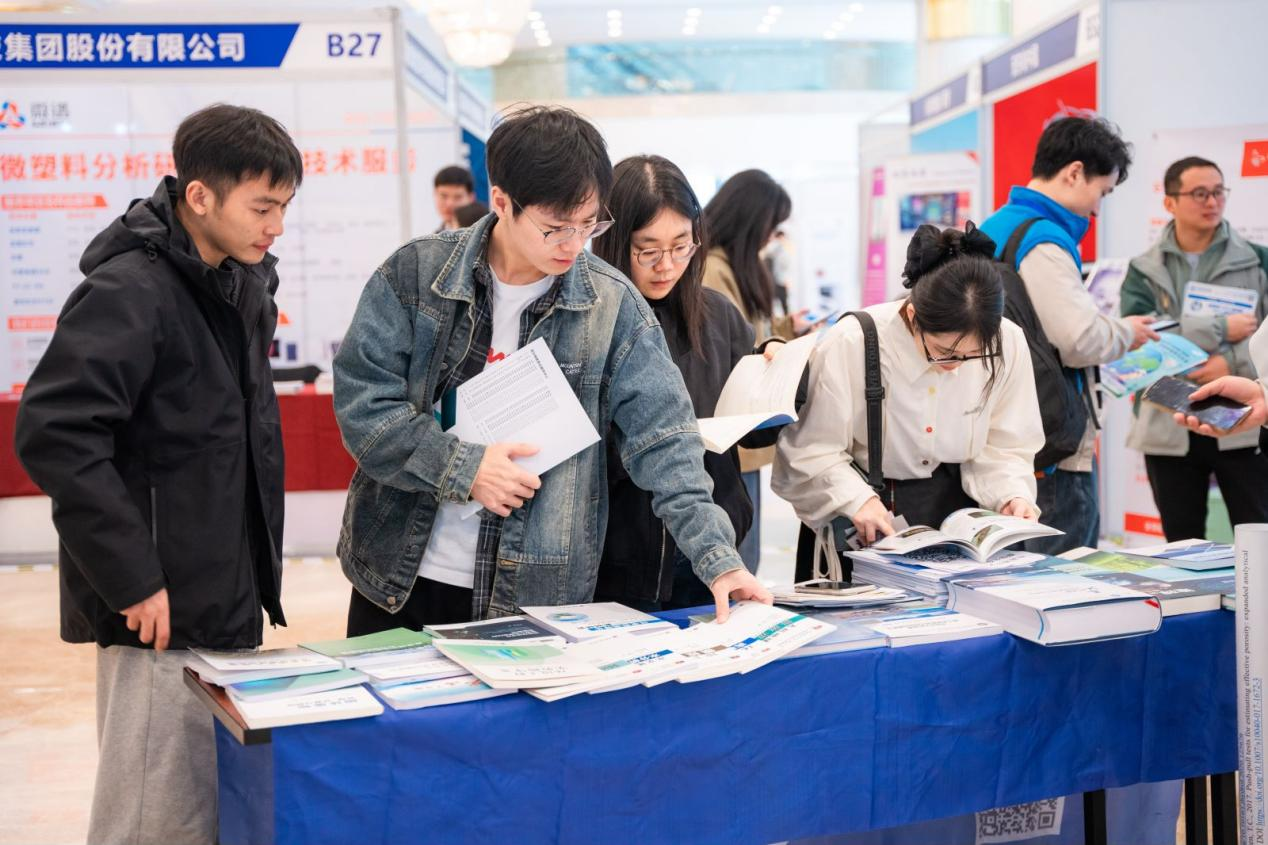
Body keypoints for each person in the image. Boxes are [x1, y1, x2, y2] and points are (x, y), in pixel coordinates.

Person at [333, 106, 770, 636]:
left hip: (536, 593)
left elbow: (666, 442)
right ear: (502, 202)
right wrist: (463, 468)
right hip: (400, 578)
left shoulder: (612, 305)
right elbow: (364, 405)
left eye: (589, 225)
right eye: (556, 228)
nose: (574, 244)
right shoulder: (416, 274)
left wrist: (718, 559)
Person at [13, 104, 301, 844]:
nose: (276, 225)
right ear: (199, 196)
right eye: (262, 207)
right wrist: (131, 575)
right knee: (151, 817)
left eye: (285, 206)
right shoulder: (131, 291)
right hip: (158, 610)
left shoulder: (237, 284)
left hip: (222, 593)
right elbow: (56, 432)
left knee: (203, 811)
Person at [774, 223, 1043, 572]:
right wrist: (856, 500)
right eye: (943, 352)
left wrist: (1011, 495)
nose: (955, 367)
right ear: (913, 316)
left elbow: (1006, 445)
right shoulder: (854, 342)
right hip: (865, 518)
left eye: (972, 356)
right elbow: (809, 450)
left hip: (957, 520)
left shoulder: (1008, 341)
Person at [590, 154, 776, 610]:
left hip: (710, 551)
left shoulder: (718, 316)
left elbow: (753, 433)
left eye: (681, 246)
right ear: (613, 241)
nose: (666, 266)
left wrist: (779, 380)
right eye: (648, 250)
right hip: (615, 558)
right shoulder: (588, 321)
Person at [979, 116, 1158, 554]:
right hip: (1051, 446)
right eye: (1102, 191)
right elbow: (1077, 340)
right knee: (1063, 576)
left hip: (1005, 431)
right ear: (1075, 172)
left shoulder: (995, 226)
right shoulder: (1043, 240)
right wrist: (1125, 332)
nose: (1098, 210)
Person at [1126, 157, 1268, 539]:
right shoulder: (1143, 268)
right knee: (1181, 543)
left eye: (1219, 192)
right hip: (1168, 421)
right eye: (1200, 193)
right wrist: (1221, 328)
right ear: (1169, 202)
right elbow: (1140, 341)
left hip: (1241, 419)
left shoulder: (1258, 260)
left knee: (1257, 537)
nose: (1212, 202)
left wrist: (1229, 361)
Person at [702, 169, 813, 571]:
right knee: (738, 556)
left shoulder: (734, 265)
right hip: (730, 434)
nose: (772, 236)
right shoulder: (713, 270)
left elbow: (748, 331)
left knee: (746, 552)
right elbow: (732, 345)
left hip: (744, 430)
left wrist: (785, 330)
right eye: (771, 225)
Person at [433, 164, 475, 232]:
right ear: (435, 194)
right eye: (444, 196)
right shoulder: (434, 236)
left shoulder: (486, 234)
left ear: (471, 198)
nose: (450, 204)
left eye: (457, 197)